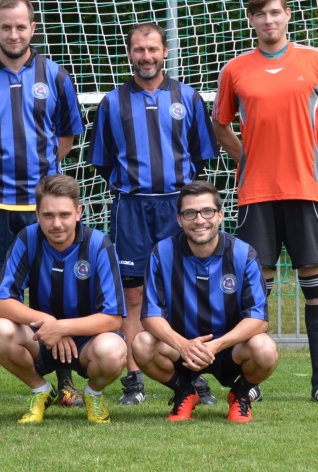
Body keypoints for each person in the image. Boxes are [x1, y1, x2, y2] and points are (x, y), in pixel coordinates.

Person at [213, 0, 318, 405]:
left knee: (316, 285)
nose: (269, 20)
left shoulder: (314, 61)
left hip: (306, 191)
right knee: (257, 290)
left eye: (275, 12)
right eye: (261, 14)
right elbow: (221, 125)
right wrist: (247, 157)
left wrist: (311, 161)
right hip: (256, 193)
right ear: (251, 20)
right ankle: (248, 381)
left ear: (287, 15)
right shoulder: (235, 69)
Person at [0, 0, 85, 408]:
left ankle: (64, 383)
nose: (13, 33)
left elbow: (66, 138)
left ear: (33, 29)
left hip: (43, 209)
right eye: (5, 26)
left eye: (20, 26)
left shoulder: (56, 76)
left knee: (53, 293)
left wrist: (41, 181)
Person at [86, 22, 219, 406]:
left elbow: (200, 157)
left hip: (179, 206)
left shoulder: (189, 98)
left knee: (186, 292)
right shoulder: (112, 103)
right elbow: (103, 161)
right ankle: (134, 378)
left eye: (153, 49)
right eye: (139, 50)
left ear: (165, 52)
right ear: (129, 54)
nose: (146, 56)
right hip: (132, 207)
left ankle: (194, 375)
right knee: (133, 296)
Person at [132, 181, 277, 423]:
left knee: (265, 348)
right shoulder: (162, 253)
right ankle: (185, 392)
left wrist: (217, 345)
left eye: (207, 211)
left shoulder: (243, 253)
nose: (200, 220)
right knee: (142, 344)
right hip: (181, 349)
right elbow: (150, 316)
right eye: (190, 213)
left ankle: (240, 395)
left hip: (229, 349)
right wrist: (183, 345)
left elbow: (258, 319)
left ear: (220, 215)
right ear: (180, 219)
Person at [0, 175, 127, 424]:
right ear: (37, 214)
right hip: (41, 337)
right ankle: (41, 390)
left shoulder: (99, 244)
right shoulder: (27, 238)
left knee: (114, 350)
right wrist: (49, 323)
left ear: (78, 212)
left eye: (64, 215)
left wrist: (62, 328)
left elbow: (113, 318)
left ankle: (93, 394)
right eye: (48, 215)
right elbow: (0, 302)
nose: (57, 224)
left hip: (87, 340)